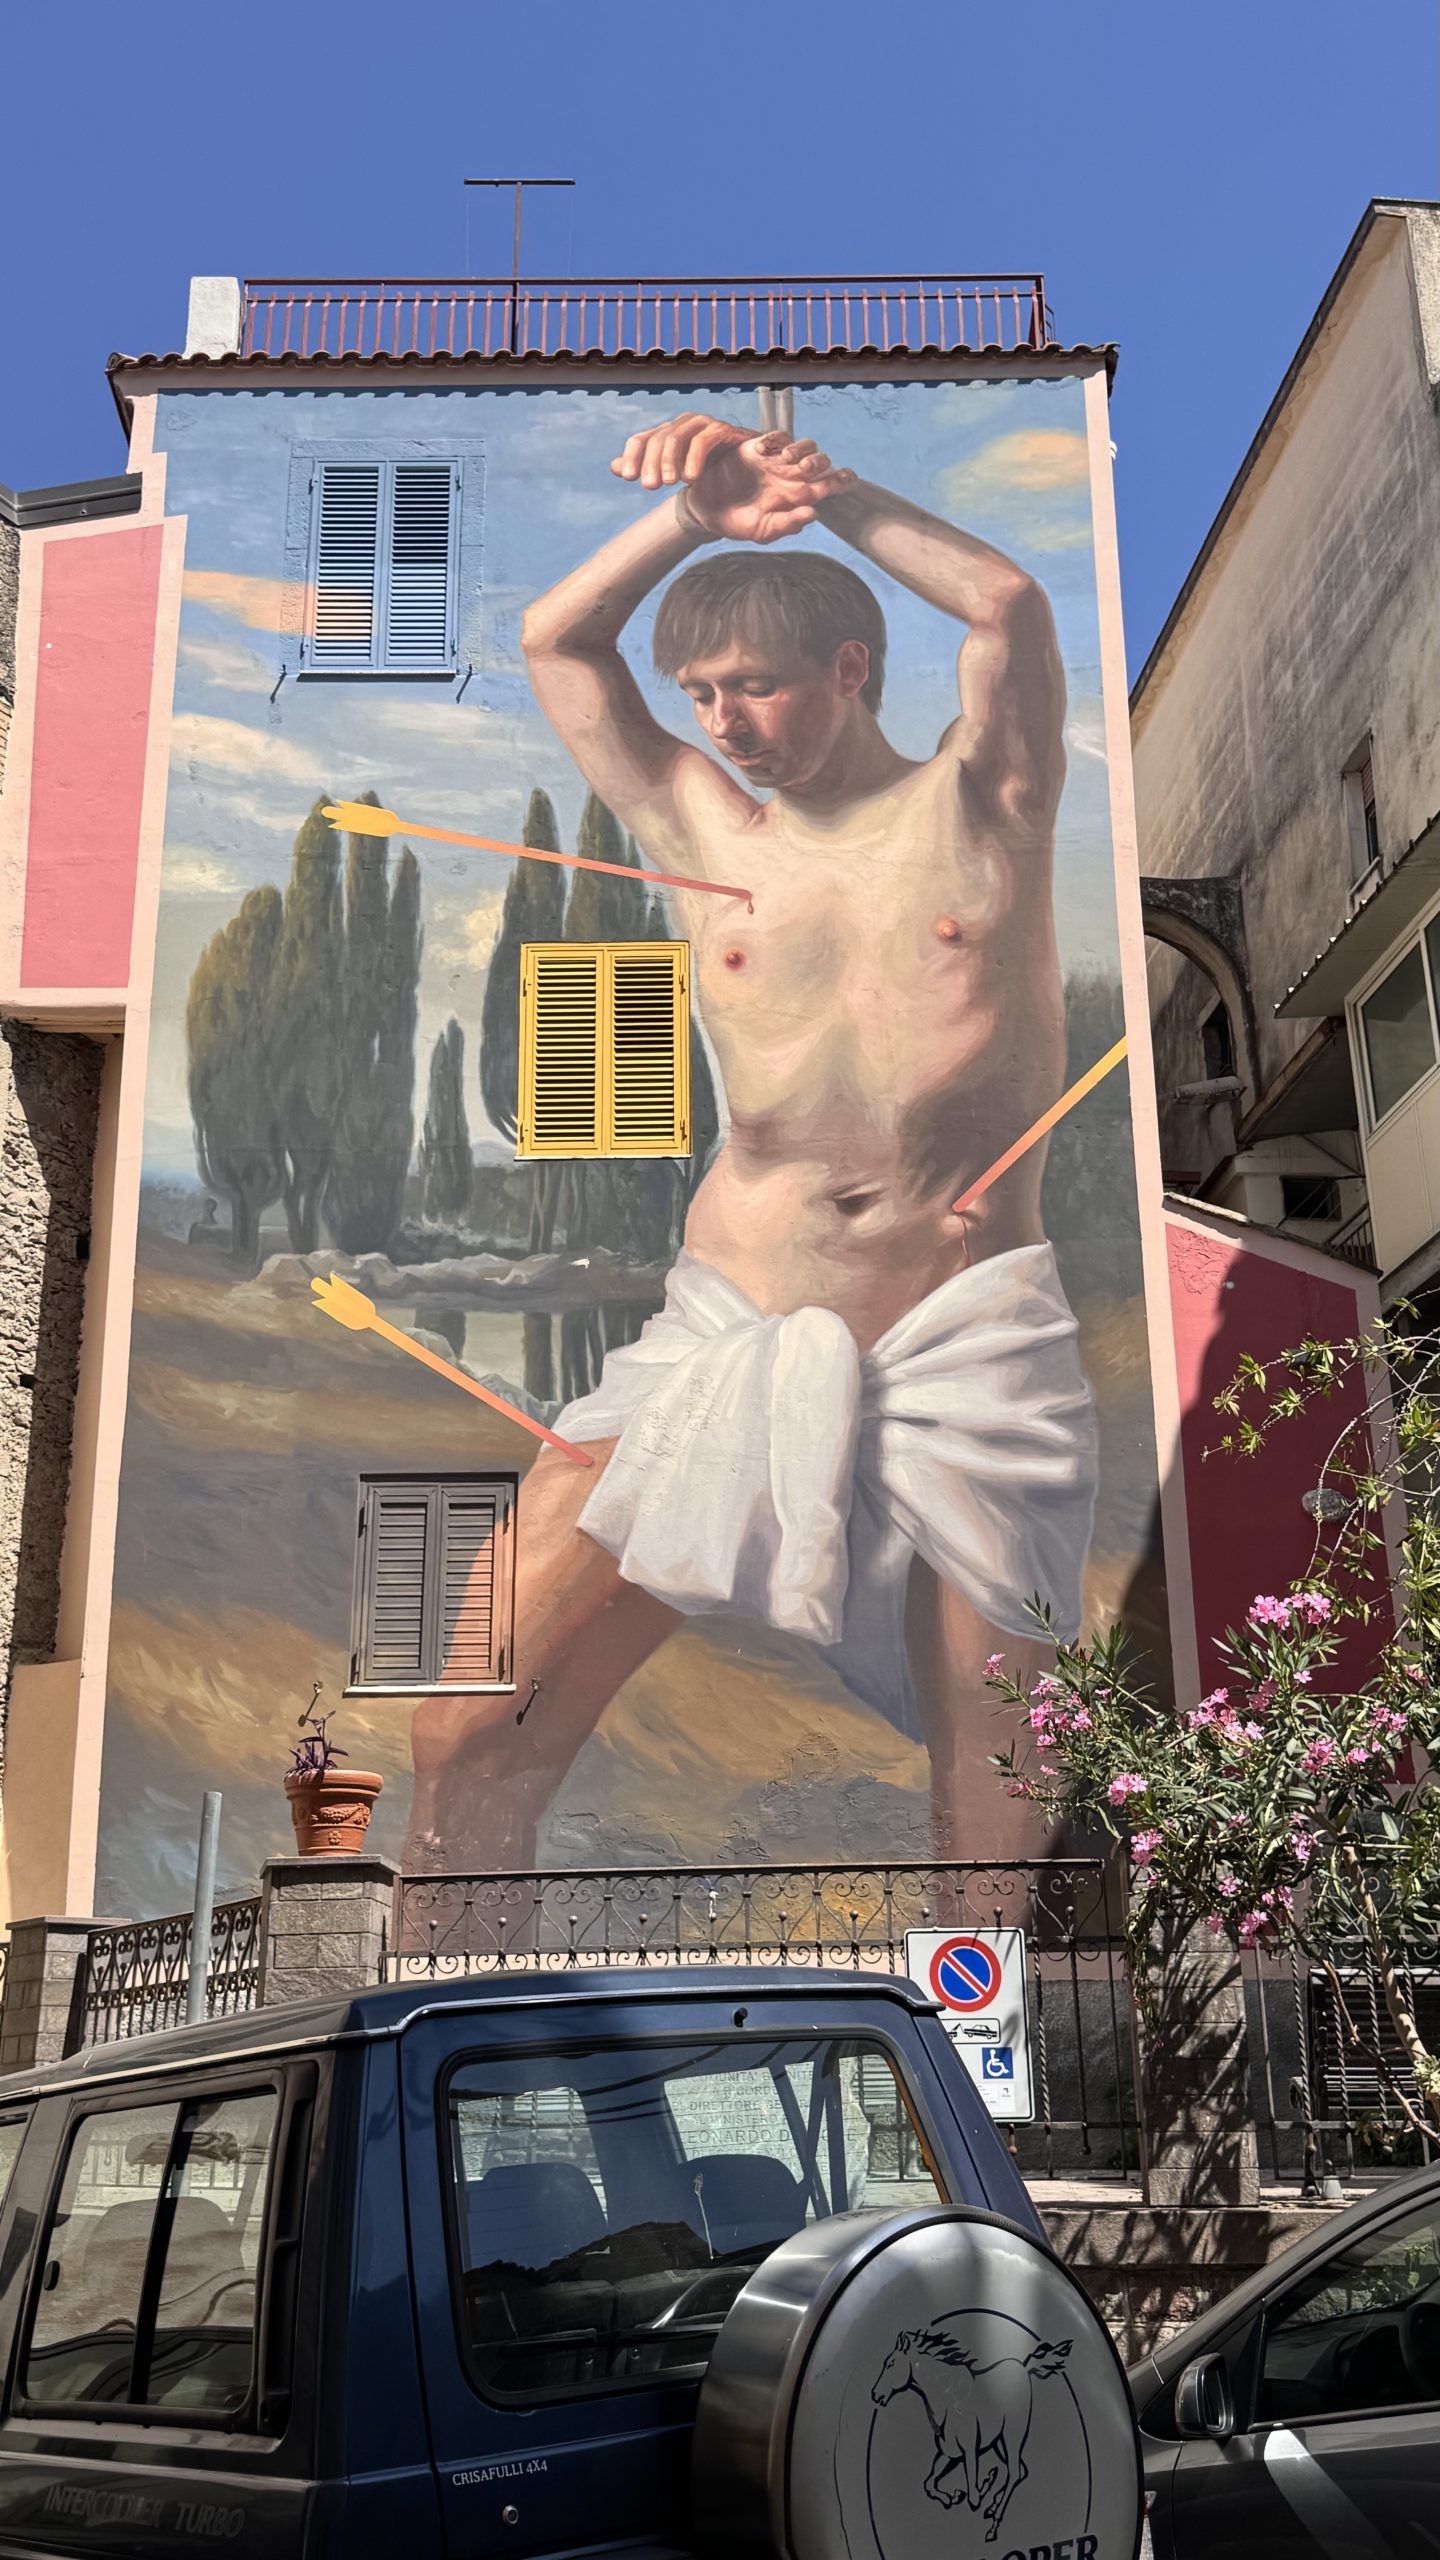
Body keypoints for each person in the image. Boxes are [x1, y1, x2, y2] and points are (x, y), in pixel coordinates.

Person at [406, 413, 1098, 1871]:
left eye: (756, 686)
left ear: (852, 670)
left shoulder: (987, 802)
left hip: (962, 1338)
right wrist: (695, 517)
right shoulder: (706, 832)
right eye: (703, 693)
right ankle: (446, 2010)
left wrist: (821, 495)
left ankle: (976, 2036)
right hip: (729, 1320)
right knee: (465, 1724)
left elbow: (1008, 607)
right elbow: (557, 644)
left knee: (995, 1784)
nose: (722, 720)